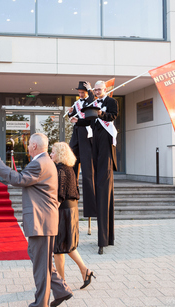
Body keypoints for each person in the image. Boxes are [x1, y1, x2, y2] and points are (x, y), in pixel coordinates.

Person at [0, 133, 73, 307]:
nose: (27, 147)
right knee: (39, 258)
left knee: (41, 265)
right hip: (44, 220)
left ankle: (41, 304)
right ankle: (61, 290)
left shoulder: (39, 164)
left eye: (28, 145)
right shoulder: (45, 162)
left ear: (34, 146)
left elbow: (18, 179)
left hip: (41, 221)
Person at [50, 142, 95, 290]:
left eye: (53, 152)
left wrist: (51, 211)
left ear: (60, 154)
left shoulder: (60, 170)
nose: (51, 155)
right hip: (71, 210)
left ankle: (61, 284)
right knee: (66, 246)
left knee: (58, 247)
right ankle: (84, 270)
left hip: (63, 211)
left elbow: (59, 194)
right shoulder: (69, 169)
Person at [92, 80, 118, 255]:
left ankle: (105, 238)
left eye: (99, 89)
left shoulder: (111, 102)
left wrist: (101, 114)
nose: (97, 91)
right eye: (95, 89)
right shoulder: (91, 102)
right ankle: (107, 237)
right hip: (94, 144)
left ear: (105, 89)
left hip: (106, 146)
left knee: (104, 191)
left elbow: (113, 116)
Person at [68, 81, 97, 233]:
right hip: (76, 136)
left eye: (82, 91)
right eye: (79, 91)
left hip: (86, 135)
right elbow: (71, 116)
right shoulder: (77, 103)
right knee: (70, 168)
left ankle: (91, 211)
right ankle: (71, 197)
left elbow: (90, 116)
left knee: (87, 174)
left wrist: (91, 90)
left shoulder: (91, 101)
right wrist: (70, 112)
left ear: (87, 91)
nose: (80, 94)